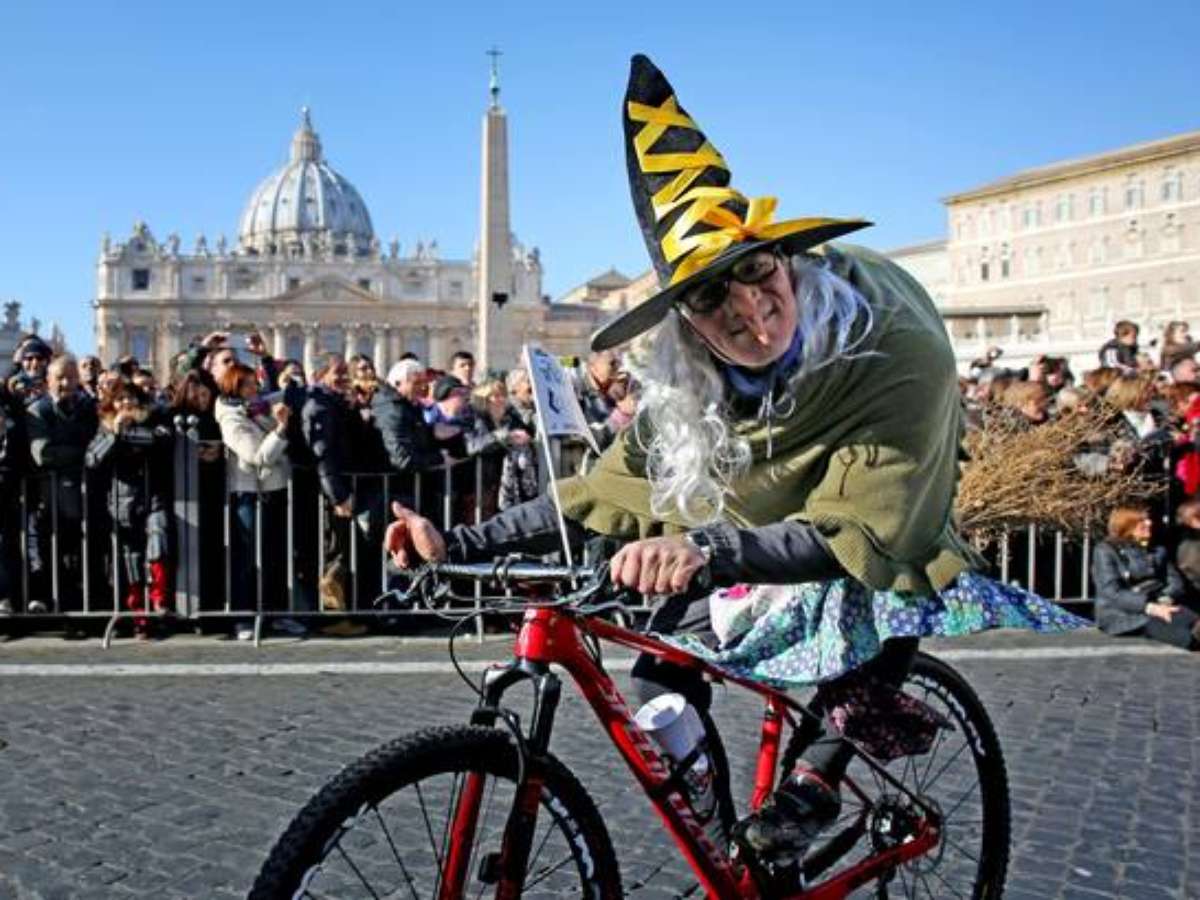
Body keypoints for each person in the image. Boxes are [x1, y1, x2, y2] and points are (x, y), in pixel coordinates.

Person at [383, 54, 1083, 862]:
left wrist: (704, 547)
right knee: (654, 678)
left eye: (753, 271)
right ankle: (726, 852)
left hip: (879, 498)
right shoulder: (687, 387)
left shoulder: (893, 346)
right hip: (757, 519)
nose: (749, 308)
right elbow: (598, 491)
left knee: (881, 595)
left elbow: (868, 526)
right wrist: (459, 542)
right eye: (713, 297)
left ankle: (820, 779)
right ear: (686, 325)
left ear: (784, 258)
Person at [214, 363, 303, 639]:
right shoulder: (231, 416)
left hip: (273, 489)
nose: (255, 389)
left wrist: (291, 384)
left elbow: (284, 393)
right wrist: (281, 428)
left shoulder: (259, 407)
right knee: (248, 558)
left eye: (256, 383)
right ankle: (244, 617)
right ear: (235, 388)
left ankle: (276, 613)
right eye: (248, 385)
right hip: (248, 493)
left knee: (275, 556)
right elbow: (257, 456)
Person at [85, 381, 173, 638]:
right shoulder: (104, 427)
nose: (126, 404)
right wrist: (115, 435)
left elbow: (164, 441)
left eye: (131, 399)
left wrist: (137, 432)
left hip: (153, 497)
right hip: (122, 503)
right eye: (120, 400)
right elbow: (92, 459)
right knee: (130, 560)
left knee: (160, 544)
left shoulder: (153, 421)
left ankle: (159, 602)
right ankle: (139, 619)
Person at [25, 354, 98, 613]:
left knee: (81, 553)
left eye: (71, 377)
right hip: (49, 498)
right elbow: (43, 454)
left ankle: (79, 606)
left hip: (86, 496)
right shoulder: (38, 410)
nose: (66, 383)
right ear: (48, 381)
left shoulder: (89, 408)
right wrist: (82, 454)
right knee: (49, 551)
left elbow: (98, 443)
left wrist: (75, 453)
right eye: (60, 378)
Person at [1091, 506, 1198, 650]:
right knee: (1184, 637)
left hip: (1160, 604)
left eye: (1148, 519)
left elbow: (1175, 582)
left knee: (1192, 620)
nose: (1149, 523)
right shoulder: (1106, 550)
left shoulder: (1158, 549)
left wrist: (1163, 601)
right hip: (1122, 614)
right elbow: (1112, 592)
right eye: (1142, 520)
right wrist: (1151, 608)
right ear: (1127, 525)